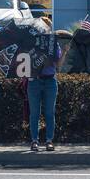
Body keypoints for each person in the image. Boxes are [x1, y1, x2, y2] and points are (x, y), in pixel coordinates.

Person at [26, 20, 62, 152]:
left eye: (47, 27)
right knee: (34, 113)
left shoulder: (53, 43)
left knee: (49, 112)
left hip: (50, 80)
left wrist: (63, 53)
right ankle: (34, 140)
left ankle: (49, 140)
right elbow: (25, 62)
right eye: (42, 27)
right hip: (34, 80)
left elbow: (57, 64)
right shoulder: (31, 42)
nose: (45, 29)